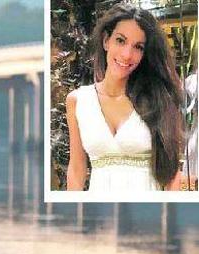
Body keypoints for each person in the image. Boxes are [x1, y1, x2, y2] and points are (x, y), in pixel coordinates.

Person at [66, 3, 183, 191]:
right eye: (120, 40)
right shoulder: (77, 101)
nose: (127, 54)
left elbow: (172, 175)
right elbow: (76, 169)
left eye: (138, 47)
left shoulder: (158, 99)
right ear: (106, 41)